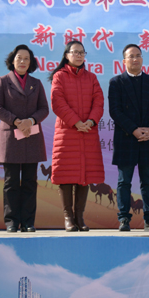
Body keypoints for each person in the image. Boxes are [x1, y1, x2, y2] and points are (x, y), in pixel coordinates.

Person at [109, 44, 149, 232]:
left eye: (138, 55)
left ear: (142, 59)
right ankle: (124, 218)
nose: (135, 59)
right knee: (124, 182)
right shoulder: (116, 82)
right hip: (126, 138)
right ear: (124, 61)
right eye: (131, 56)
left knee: (148, 182)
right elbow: (115, 111)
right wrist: (134, 129)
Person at [0, 45, 49, 233]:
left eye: (26, 58)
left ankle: (28, 222)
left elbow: (44, 109)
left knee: (30, 181)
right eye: (19, 58)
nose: (22, 61)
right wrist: (16, 121)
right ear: (12, 60)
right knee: (11, 182)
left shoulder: (36, 83)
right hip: (11, 138)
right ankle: (11, 221)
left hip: (31, 137)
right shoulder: (3, 81)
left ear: (31, 62)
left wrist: (30, 121)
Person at [48, 40, 105, 232]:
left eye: (82, 52)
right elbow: (57, 102)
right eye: (75, 52)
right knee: (66, 175)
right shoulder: (59, 76)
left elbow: (99, 102)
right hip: (67, 132)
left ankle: (80, 217)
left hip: (88, 132)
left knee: (85, 175)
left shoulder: (92, 78)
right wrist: (76, 122)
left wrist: (91, 121)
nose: (79, 55)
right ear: (67, 55)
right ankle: (68, 218)